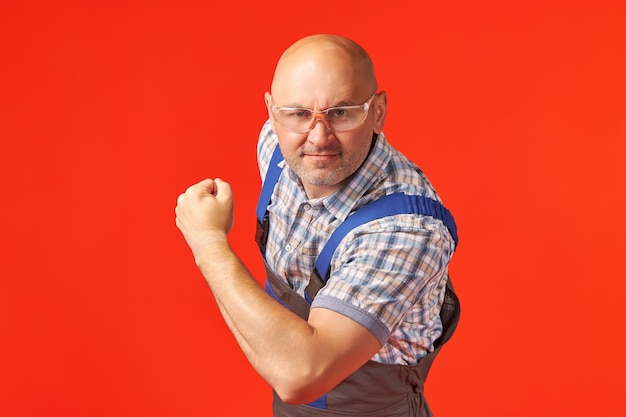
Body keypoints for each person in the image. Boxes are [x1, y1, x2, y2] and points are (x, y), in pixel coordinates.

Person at [175, 34, 459, 416]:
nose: (318, 137)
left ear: (377, 111)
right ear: (272, 112)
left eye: (341, 112)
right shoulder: (275, 149)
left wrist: (208, 241)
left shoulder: (406, 229)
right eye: (298, 114)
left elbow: (299, 375)